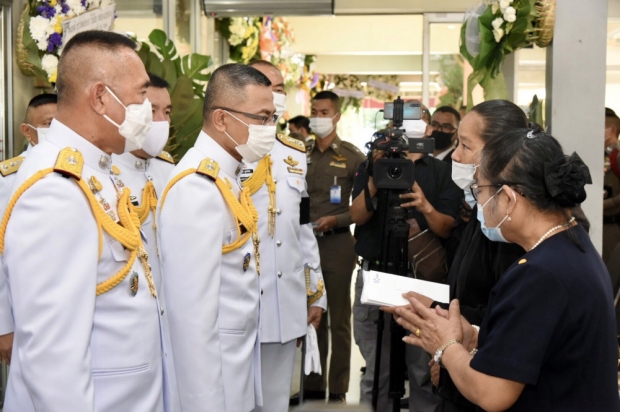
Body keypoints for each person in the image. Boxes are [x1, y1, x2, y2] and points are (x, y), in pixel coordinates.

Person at [0, 30, 174, 411]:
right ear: (99, 97)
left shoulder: (98, 170)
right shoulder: (56, 189)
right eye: (141, 95)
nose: (147, 109)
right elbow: (52, 359)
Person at [393, 130, 620, 412]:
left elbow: (492, 394)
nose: (479, 204)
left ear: (509, 198)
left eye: (480, 191)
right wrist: (474, 336)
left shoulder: (540, 274)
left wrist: (445, 345)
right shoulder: (569, 245)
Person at [158, 63, 275, 412]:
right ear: (222, 119)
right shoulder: (197, 187)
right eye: (262, 118)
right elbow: (191, 318)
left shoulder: (227, 177)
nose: (270, 129)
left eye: (272, 118)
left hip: (234, 374)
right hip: (212, 385)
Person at [404, 100, 527, 412]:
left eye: (465, 145)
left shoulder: (509, 228)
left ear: (498, 152)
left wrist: (449, 347)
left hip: (486, 375)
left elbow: (502, 312)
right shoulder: (480, 209)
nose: (455, 155)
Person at [350, 119, 462, 411]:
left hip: (420, 280)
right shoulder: (371, 164)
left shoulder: (441, 171)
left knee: (423, 369)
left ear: (428, 132)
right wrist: (375, 179)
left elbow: (447, 228)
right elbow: (357, 216)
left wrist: (424, 205)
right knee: (378, 368)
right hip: (376, 273)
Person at [244, 60, 327, 412]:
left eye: (280, 88)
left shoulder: (294, 153)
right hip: (242, 300)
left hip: (285, 299)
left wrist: (315, 291)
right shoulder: (230, 149)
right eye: (268, 86)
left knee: (277, 402)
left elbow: (302, 227)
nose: (276, 95)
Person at [301, 90, 366, 404]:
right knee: (311, 315)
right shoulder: (300, 153)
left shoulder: (352, 157)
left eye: (324, 112)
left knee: (338, 318)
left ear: (337, 116)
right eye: (314, 111)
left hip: (337, 246)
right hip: (303, 246)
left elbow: (364, 206)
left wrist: (336, 221)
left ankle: (338, 386)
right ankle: (312, 384)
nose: (318, 117)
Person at [0, 93, 58, 365]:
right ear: (28, 131)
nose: (57, 130)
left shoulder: (82, 170)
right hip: (24, 313)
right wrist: (3, 325)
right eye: (49, 123)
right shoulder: (10, 179)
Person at [602, 108, 620, 262]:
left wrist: (602, 205)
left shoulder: (617, 156)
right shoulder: (601, 154)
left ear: (612, 130)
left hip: (612, 225)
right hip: (600, 223)